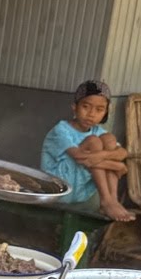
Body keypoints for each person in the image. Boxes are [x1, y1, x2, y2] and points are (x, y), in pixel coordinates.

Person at [40, 80, 133, 222]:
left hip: (79, 191)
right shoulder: (61, 130)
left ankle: (112, 199)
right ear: (74, 107)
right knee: (93, 142)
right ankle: (106, 200)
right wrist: (117, 166)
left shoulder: (97, 131)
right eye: (86, 107)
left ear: (106, 112)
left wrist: (103, 156)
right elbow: (79, 157)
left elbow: (122, 153)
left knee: (109, 139)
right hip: (58, 185)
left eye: (99, 109)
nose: (91, 114)